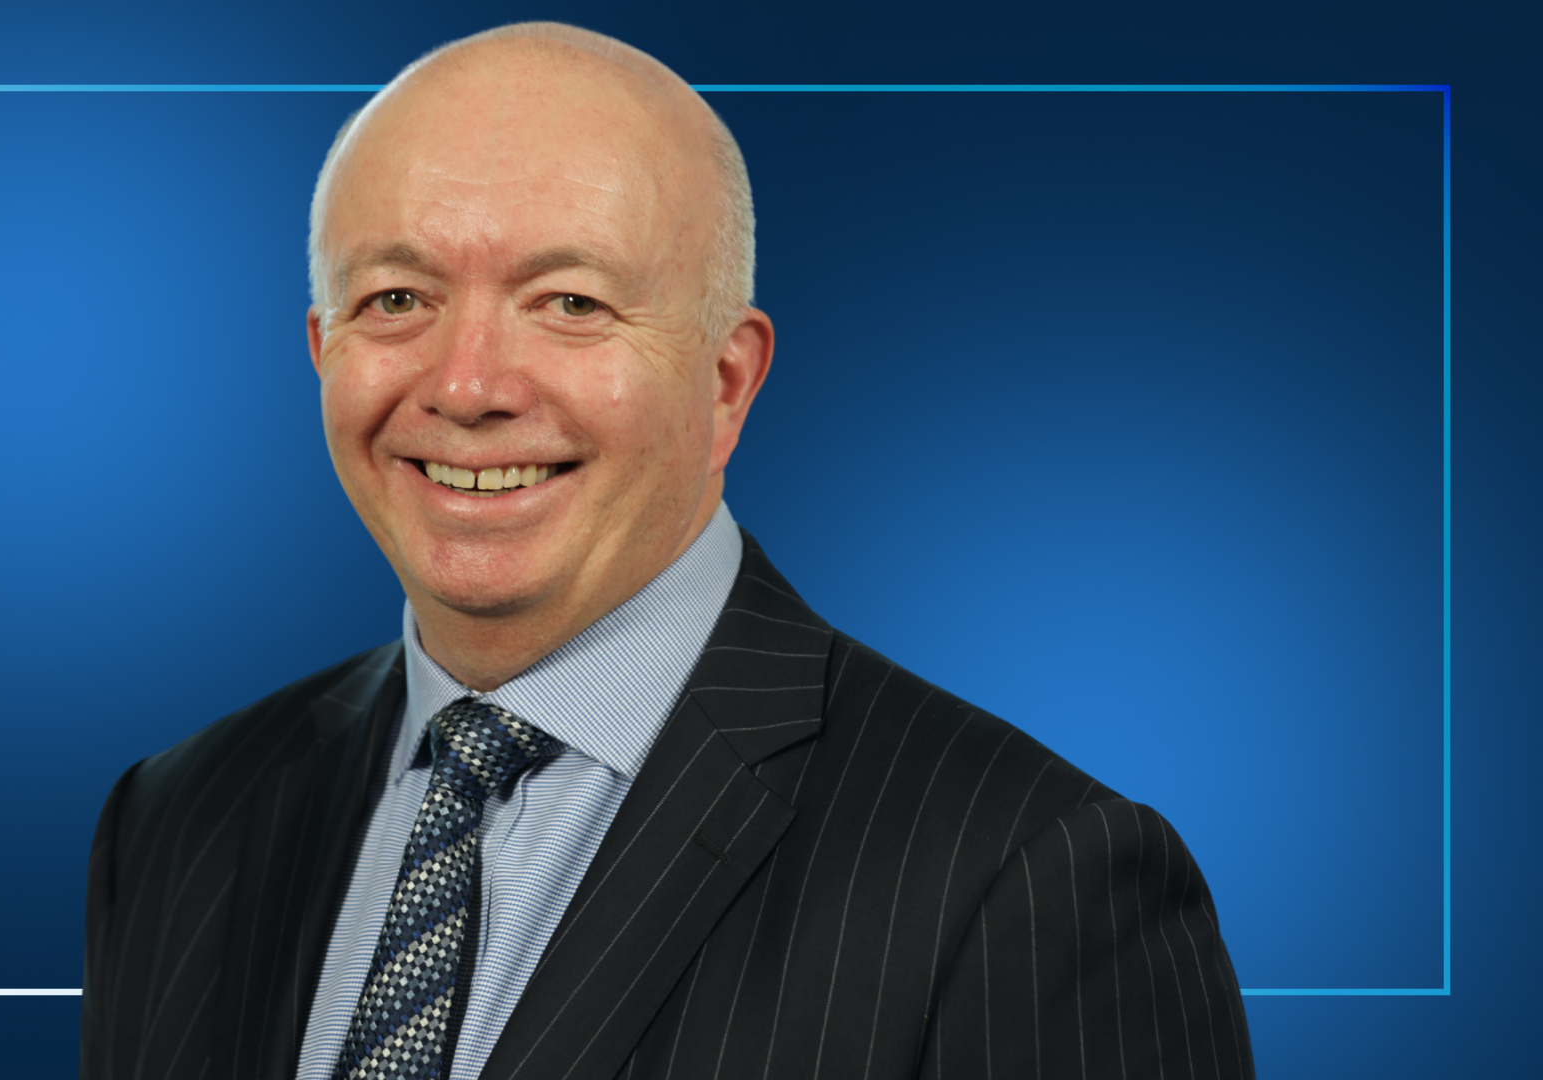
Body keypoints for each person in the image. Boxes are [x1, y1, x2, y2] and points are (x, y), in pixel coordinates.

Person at [81, 22, 1253, 1080]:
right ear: (320, 349)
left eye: (570, 302)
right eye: (396, 299)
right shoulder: (179, 819)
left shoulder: (1029, 876)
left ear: (727, 381)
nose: (468, 386)